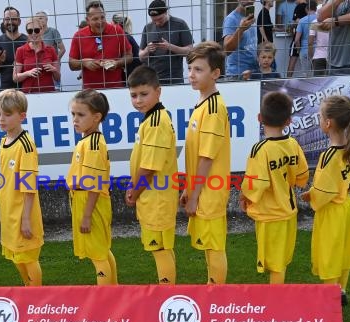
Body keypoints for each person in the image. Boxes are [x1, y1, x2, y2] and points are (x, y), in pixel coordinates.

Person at [301, 95, 350, 306]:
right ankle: (341, 290)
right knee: (344, 250)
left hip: (332, 210)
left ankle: (329, 295)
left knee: (330, 251)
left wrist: (313, 195)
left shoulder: (328, 156)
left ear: (327, 123)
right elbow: (348, 181)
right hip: (347, 206)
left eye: (320, 116)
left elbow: (324, 190)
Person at [240, 92, 309, 284]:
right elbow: (302, 176)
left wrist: (244, 197)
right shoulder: (293, 144)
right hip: (288, 211)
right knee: (281, 260)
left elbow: (255, 183)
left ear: (260, 118)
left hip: (270, 214)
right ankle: (277, 296)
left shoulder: (260, 149)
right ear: (288, 121)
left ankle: (275, 302)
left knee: (275, 264)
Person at [181, 42, 230, 284]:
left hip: (209, 192)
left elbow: (207, 157)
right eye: (190, 68)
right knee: (208, 247)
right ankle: (213, 288)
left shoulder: (212, 109)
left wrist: (194, 195)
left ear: (215, 74)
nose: (191, 74)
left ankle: (216, 295)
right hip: (201, 190)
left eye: (198, 69)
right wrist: (188, 188)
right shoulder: (202, 104)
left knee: (213, 246)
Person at [125, 65, 178, 285]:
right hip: (153, 197)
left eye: (144, 94)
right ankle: (170, 292)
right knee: (163, 248)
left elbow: (149, 167)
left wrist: (135, 192)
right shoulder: (151, 119)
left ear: (158, 91)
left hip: (156, 197)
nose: (138, 100)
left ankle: (167, 297)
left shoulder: (156, 122)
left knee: (160, 249)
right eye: (133, 95)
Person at [66, 89, 118, 285]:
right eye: (73, 114)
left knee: (98, 255)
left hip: (91, 205)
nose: (75, 119)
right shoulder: (87, 141)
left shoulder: (94, 144)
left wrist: (86, 216)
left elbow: (94, 185)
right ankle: (114, 291)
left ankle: (105, 298)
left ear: (97, 117)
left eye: (81, 115)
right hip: (85, 201)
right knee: (102, 251)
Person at [0, 89, 44, 286]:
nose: (1, 119)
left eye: (7, 114)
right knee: (16, 256)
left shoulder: (26, 145)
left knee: (28, 257)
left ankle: (36, 295)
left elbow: (29, 186)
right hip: (9, 211)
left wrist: (26, 220)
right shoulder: (4, 141)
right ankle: (28, 291)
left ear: (22, 116)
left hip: (24, 213)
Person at [69, 1, 133, 89]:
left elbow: (129, 56)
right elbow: (71, 64)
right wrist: (84, 62)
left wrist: (117, 63)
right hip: (90, 92)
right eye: (95, 19)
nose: (100, 21)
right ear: (87, 20)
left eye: (102, 17)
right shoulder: (79, 35)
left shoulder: (117, 31)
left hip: (115, 89)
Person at [138, 0, 193, 85]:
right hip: (152, 79)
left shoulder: (179, 24)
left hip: (174, 79)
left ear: (166, 12)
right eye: (154, 20)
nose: (157, 23)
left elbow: (190, 51)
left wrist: (170, 47)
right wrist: (147, 50)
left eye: (160, 19)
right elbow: (141, 56)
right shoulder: (147, 27)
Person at [13, 17, 60, 93]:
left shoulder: (51, 50)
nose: (33, 33)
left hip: (49, 93)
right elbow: (15, 78)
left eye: (37, 30)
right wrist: (28, 73)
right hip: (28, 94)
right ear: (27, 33)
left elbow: (57, 78)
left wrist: (54, 70)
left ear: (42, 30)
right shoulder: (20, 50)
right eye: (30, 31)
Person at [0, 7, 27, 91]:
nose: (10, 22)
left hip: (26, 89)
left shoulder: (27, 41)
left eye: (13, 19)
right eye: (7, 19)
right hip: (6, 90)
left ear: (19, 21)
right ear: (3, 21)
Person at [223, 0, 259, 77]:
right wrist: (241, 29)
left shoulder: (250, 16)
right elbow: (227, 50)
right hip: (237, 74)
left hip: (252, 72)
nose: (249, 1)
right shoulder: (231, 19)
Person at [112, 14, 142, 82]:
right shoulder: (126, 35)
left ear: (114, 24)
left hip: (133, 73)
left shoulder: (124, 37)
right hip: (134, 71)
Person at [294, 0, 317, 76]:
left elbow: (296, 39)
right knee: (318, 75)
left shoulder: (302, 21)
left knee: (305, 76)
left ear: (306, 9)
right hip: (318, 51)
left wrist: (299, 50)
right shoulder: (321, 19)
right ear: (316, 9)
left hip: (304, 50)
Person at [308, 9, 330, 76]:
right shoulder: (333, 21)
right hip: (332, 57)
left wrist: (311, 57)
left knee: (318, 82)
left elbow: (310, 42)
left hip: (318, 56)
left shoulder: (315, 22)